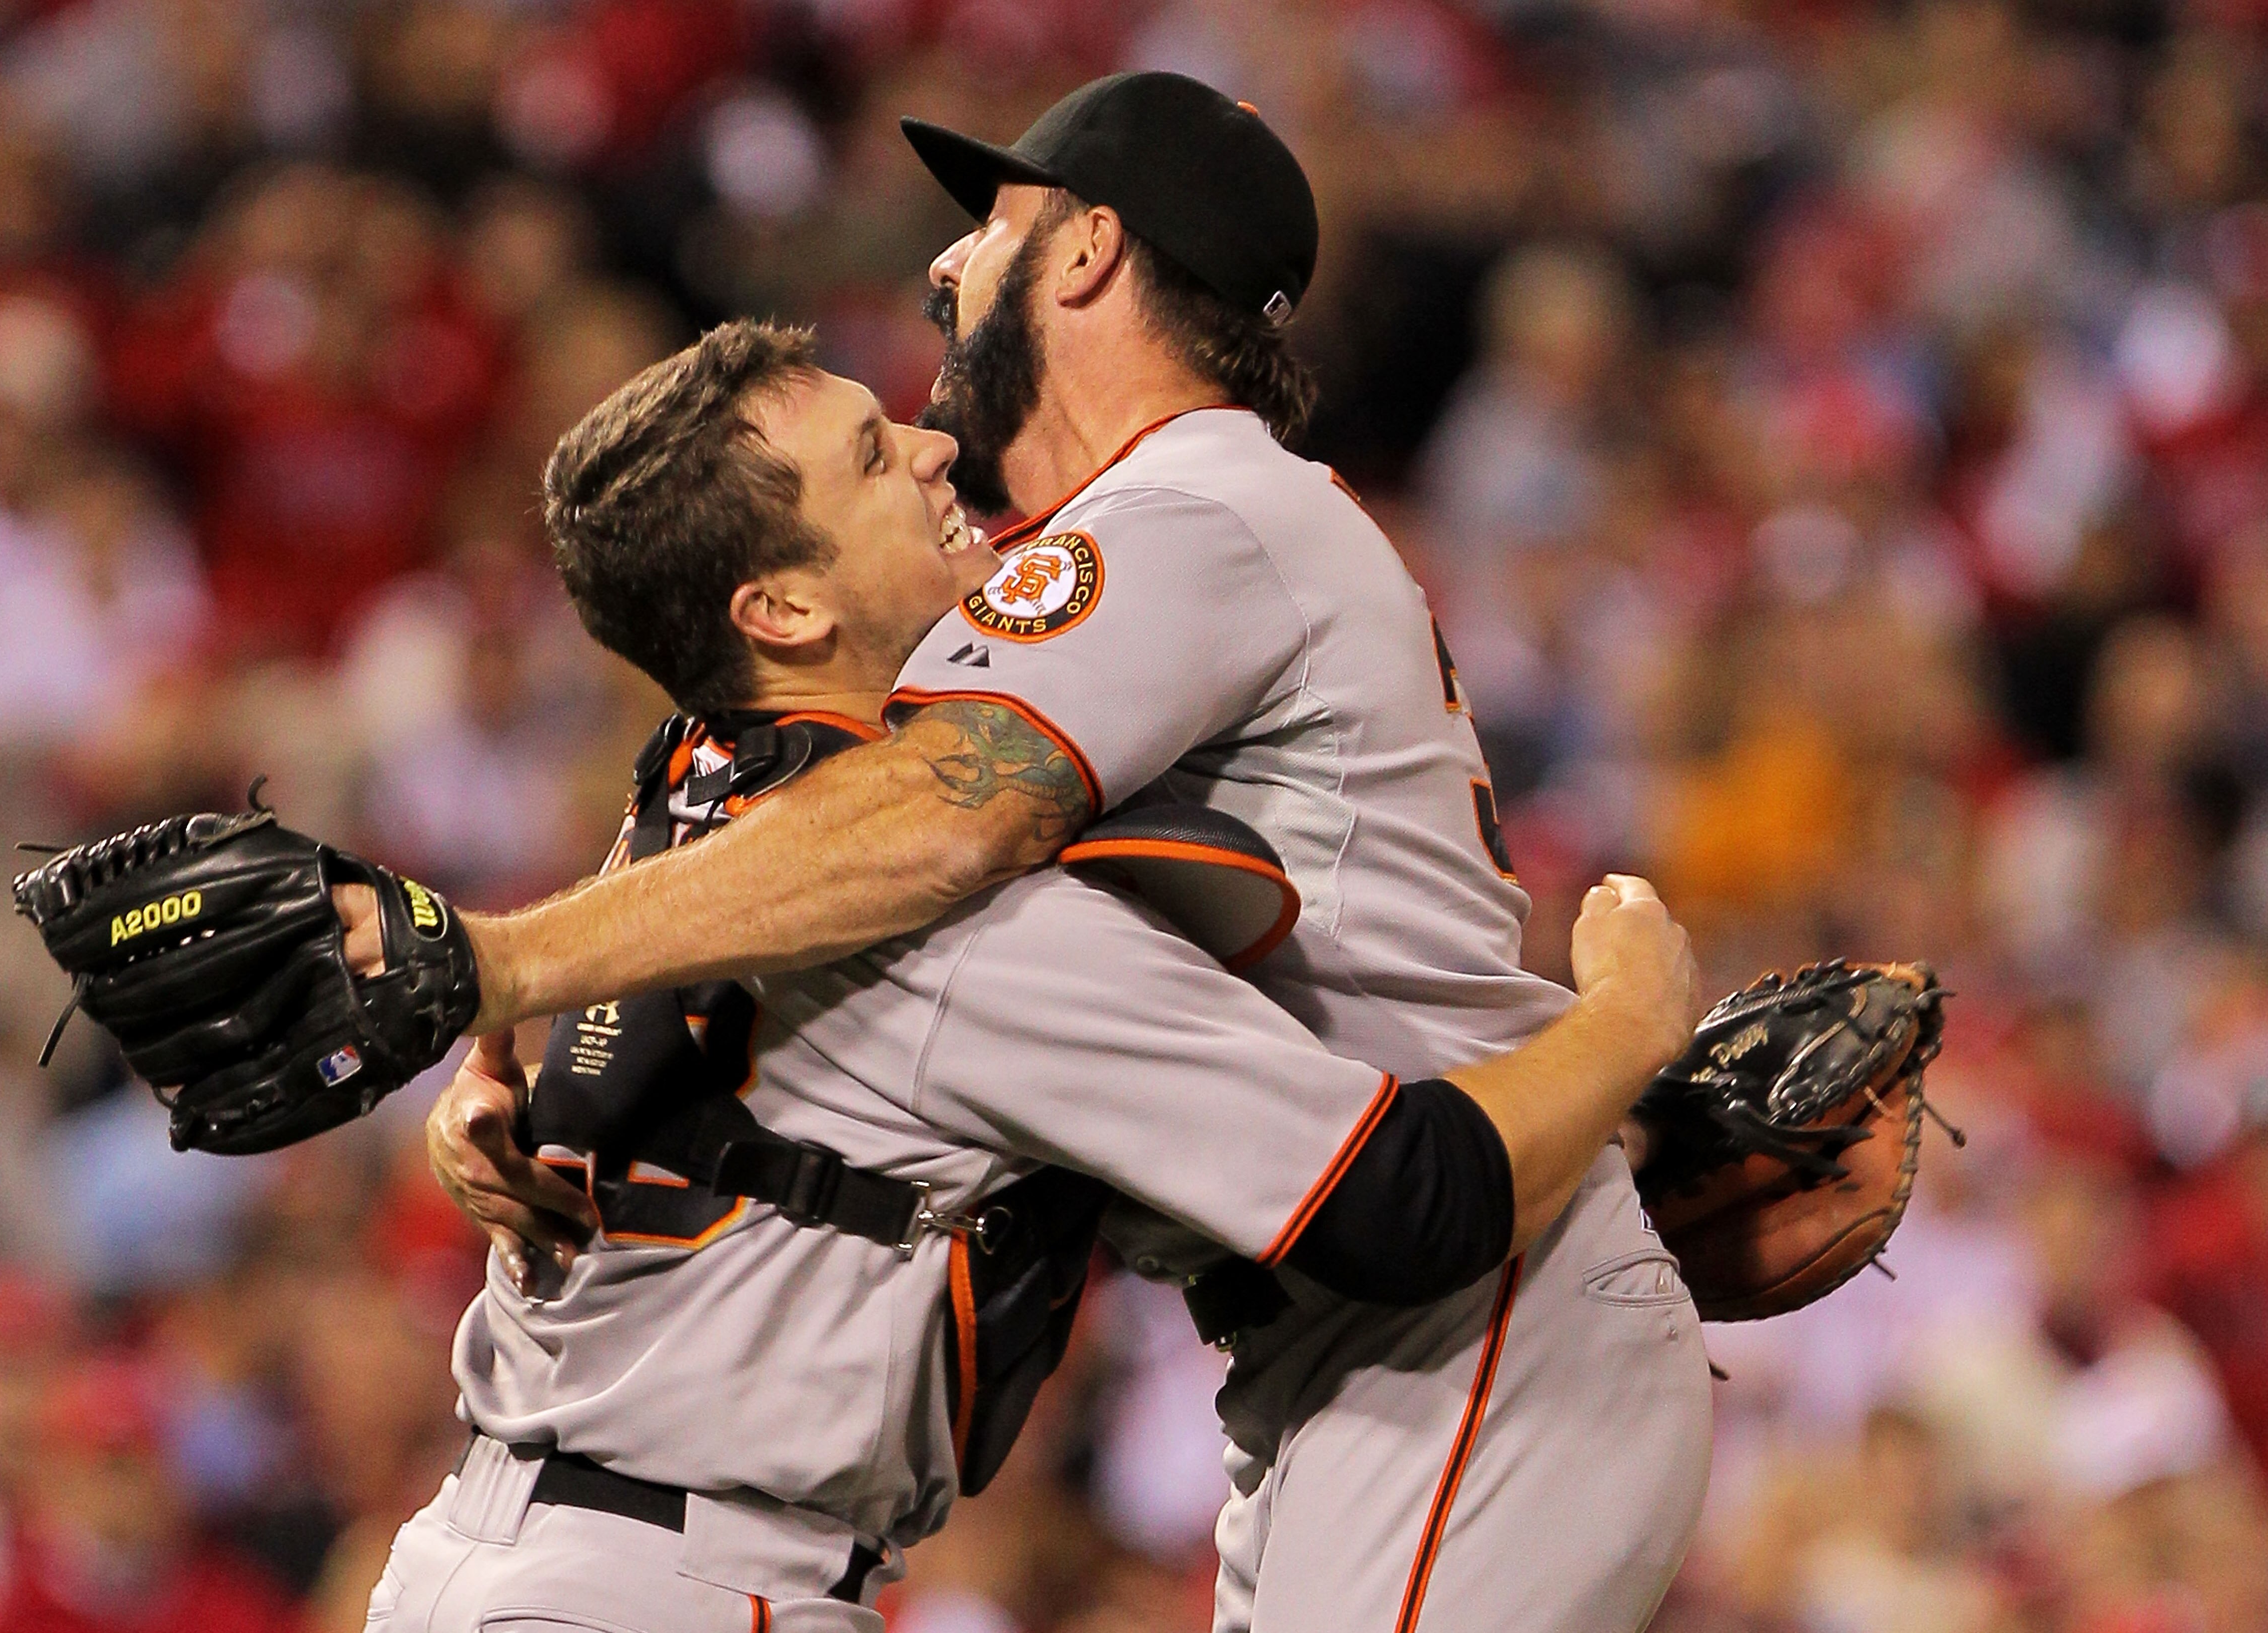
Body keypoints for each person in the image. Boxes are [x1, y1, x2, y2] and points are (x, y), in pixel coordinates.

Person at [427, 72, 1714, 1632]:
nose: (947, 265)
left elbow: (925, 820)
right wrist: (548, 1058)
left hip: (1471, 1279)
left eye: (992, 223)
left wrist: (490, 967)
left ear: (1090, 250)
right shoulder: (1091, 553)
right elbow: (776, 797)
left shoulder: (1188, 511)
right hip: (1373, 1293)